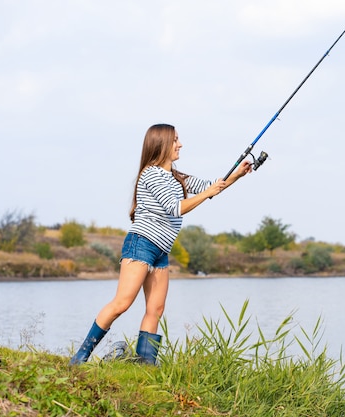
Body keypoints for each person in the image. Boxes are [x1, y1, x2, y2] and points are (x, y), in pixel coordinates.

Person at [70, 123, 252, 365]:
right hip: (142, 244)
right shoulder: (151, 174)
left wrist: (236, 175)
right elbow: (176, 207)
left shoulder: (177, 177)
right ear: (162, 144)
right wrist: (207, 193)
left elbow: (212, 187)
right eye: (175, 140)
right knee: (122, 303)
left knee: (155, 310)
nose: (180, 144)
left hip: (161, 251)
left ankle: (145, 365)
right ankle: (80, 357)